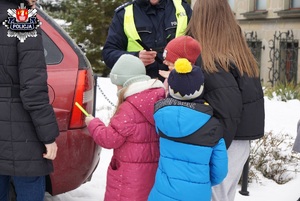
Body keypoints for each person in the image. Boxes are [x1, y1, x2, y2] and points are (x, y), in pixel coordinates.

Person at [186, 0, 265, 201]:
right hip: (238, 138)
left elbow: (227, 107)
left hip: (225, 140)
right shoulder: (235, 49)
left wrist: (215, 147)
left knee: (213, 195)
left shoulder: (212, 57)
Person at [85, 54, 165, 201]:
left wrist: (93, 123)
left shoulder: (129, 108)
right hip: (152, 173)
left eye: (118, 85)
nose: (117, 89)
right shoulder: (159, 98)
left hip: (129, 176)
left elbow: (109, 139)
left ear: (127, 82)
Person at [0, 0, 59, 200]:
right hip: (22, 131)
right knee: (30, 185)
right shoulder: (21, 19)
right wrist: (48, 136)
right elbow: (32, 87)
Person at [148, 58, 228, 201]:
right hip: (196, 194)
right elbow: (219, 171)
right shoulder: (211, 126)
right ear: (200, 89)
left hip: (162, 193)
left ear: (171, 88)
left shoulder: (161, 118)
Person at [102, 0, 193, 81]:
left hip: (177, 86)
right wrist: (136, 58)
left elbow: (201, 48)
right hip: (138, 88)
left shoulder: (183, 8)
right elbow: (109, 54)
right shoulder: (124, 13)